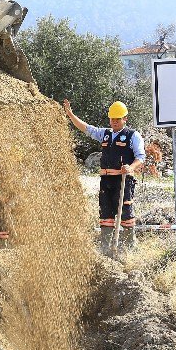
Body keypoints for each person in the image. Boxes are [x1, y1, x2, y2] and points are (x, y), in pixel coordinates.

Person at [63, 99, 145, 253]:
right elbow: (87, 129)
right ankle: (105, 247)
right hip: (106, 181)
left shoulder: (133, 135)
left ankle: (129, 247)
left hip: (123, 181)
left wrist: (130, 167)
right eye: (112, 119)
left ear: (124, 119)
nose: (114, 122)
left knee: (126, 212)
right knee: (105, 212)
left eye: (117, 119)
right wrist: (70, 114)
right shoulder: (105, 134)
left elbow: (140, 157)